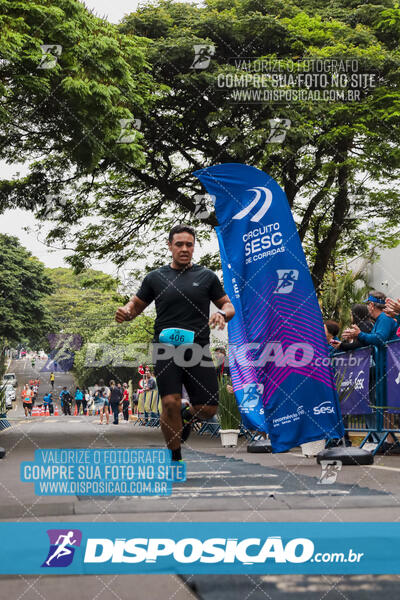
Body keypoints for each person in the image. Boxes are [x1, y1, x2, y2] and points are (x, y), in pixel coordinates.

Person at [115, 223, 235, 462]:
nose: (184, 248)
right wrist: (126, 312)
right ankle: (175, 456)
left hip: (197, 349)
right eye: (179, 244)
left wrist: (222, 314)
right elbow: (135, 306)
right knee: (169, 401)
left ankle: (186, 413)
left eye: (189, 244)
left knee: (208, 409)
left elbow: (228, 305)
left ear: (194, 247)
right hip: (165, 349)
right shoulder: (155, 278)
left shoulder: (206, 277)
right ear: (169, 246)